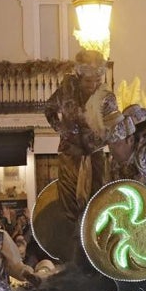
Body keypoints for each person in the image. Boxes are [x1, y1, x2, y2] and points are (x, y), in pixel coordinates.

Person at [44, 49, 114, 264]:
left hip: (94, 155)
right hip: (69, 153)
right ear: (79, 74)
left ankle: (95, 247)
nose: (91, 83)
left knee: (96, 198)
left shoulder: (106, 97)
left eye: (96, 78)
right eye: (88, 78)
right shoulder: (66, 90)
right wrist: (63, 131)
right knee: (69, 199)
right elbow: (49, 109)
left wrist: (94, 142)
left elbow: (112, 129)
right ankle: (72, 251)